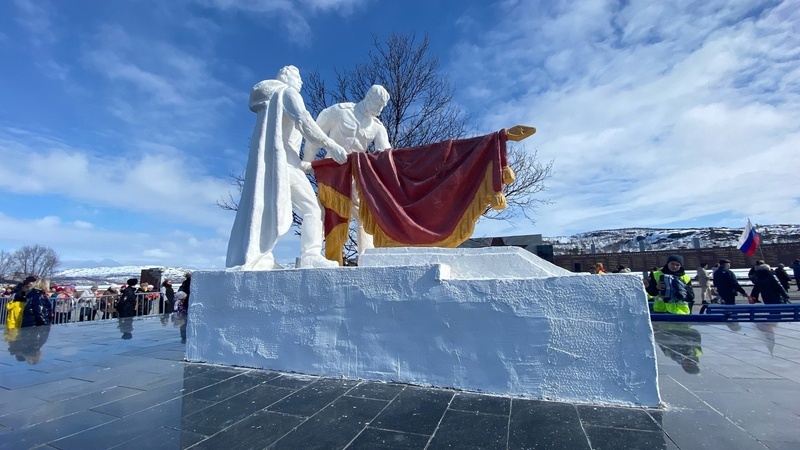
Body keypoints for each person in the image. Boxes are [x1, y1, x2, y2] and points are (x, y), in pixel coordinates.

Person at [226, 65, 347, 271]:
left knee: (267, 207)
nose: (301, 82)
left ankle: (261, 255)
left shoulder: (270, 100)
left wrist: (306, 164)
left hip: (279, 162)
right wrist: (330, 144)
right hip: (286, 163)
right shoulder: (287, 93)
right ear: (287, 78)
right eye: (298, 77)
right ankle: (310, 255)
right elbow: (304, 121)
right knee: (312, 208)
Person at [310, 85, 391, 255]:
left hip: (357, 175)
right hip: (331, 173)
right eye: (378, 105)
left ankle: (366, 257)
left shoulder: (378, 127)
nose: (380, 110)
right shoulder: (340, 111)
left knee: (366, 215)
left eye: (383, 107)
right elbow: (314, 133)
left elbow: (386, 155)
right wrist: (307, 161)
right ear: (368, 98)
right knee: (322, 213)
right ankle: (313, 255)